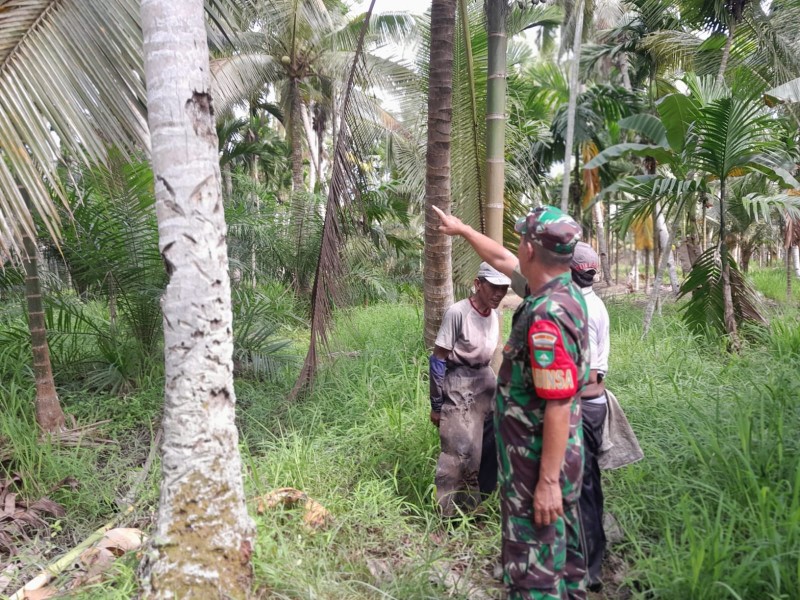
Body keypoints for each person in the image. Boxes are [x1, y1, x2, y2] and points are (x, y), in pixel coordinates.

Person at [433, 204, 590, 599]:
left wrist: (548, 483)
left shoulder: (547, 316)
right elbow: (500, 258)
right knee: (561, 557)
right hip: (551, 455)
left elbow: (557, 403)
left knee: (532, 567)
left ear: (532, 250)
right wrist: (464, 229)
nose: (515, 247)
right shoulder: (559, 288)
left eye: (521, 239)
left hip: (538, 462)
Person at [430, 262, 510, 517]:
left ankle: (480, 501)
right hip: (459, 381)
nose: (498, 294)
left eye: (504, 289)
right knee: (460, 450)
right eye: (494, 288)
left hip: (485, 379)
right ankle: (448, 514)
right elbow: (439, 358)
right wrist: (436, 404)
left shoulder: (495, 315)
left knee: (497, 438)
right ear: (478, 284)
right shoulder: (458, 312)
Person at [569, 242, 610, 592]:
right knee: (589, 484)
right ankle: (594, 557)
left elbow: (592, 376)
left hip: (584, 406)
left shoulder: (581, 309)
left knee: (580, 487)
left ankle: (588, 566)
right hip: (592, 408)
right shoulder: (592, 303)